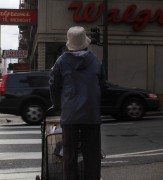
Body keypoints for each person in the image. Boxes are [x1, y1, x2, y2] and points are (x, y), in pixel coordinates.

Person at [49, 26, 106, 180]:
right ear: (85, 43)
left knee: (69, 155)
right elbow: (103, 86)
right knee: (92, 155)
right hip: (91, 113)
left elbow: (53, 85)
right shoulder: (95, 61)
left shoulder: (61, 62)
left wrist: (58, 107)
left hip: (69, 114)